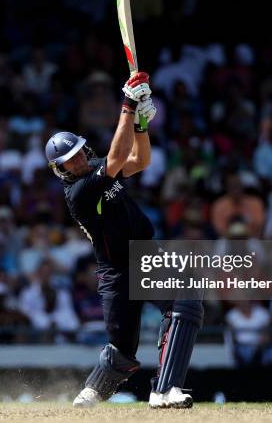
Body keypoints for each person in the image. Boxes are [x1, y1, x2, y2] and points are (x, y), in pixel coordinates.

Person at [45, 72, 203, 409]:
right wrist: (129, 106)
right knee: (122, 353)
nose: (76, 160)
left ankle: (165, 390)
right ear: (61, 170)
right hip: (116, 270)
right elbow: (117, 159)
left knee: (185, 302)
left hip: (145, 254)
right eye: (68, 161)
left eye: (77, 153)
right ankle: (90, 394)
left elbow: (139, 160)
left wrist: (142, 125)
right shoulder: (79, 192)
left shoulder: (98, 166)